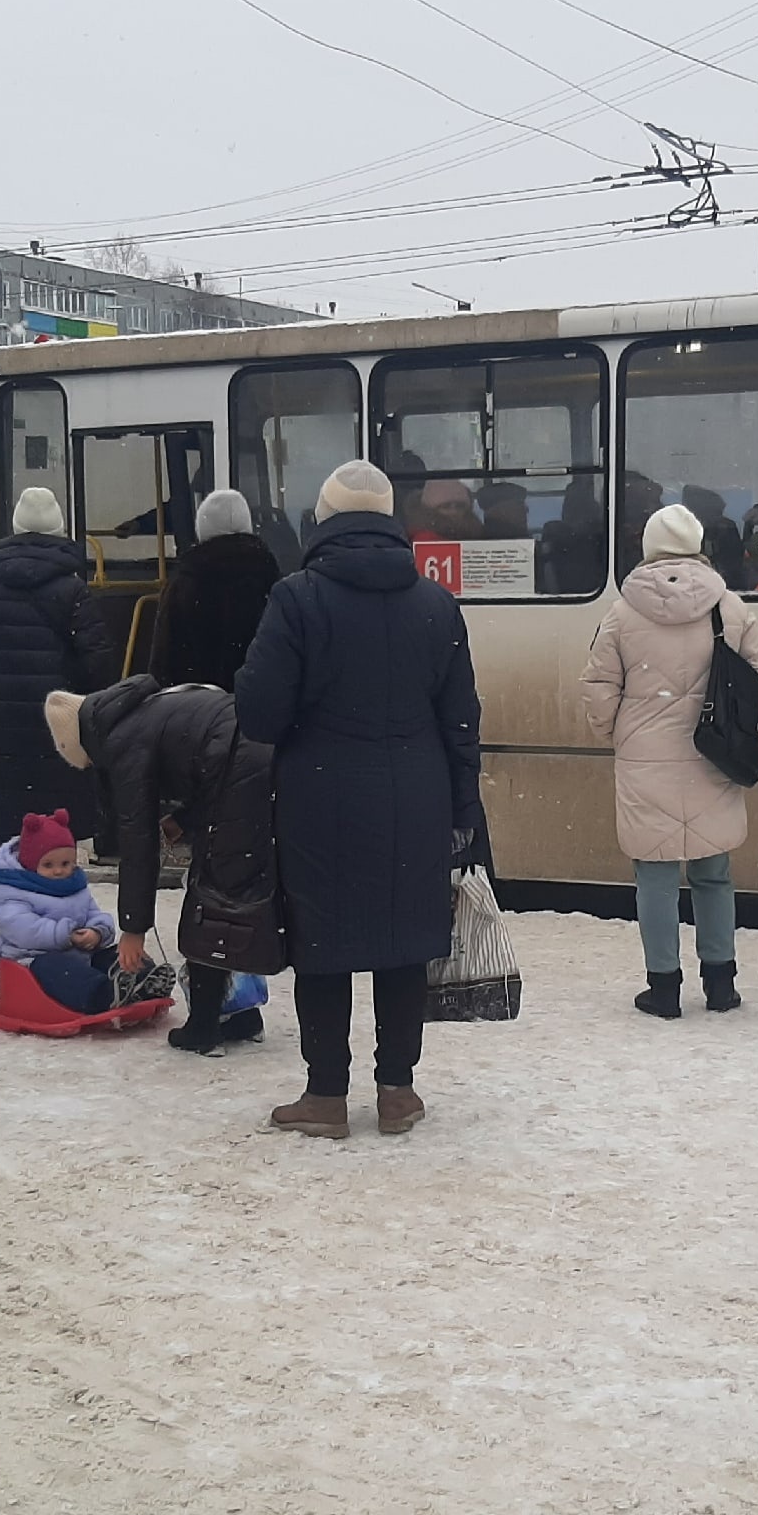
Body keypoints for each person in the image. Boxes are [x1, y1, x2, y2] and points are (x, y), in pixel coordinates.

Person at [235, 460, 482, 1138]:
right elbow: (462, 718)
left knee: (324, 941)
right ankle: (397, 1092)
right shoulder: (435, 603)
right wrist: (465, 809)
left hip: (322, 797)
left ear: (323, 522)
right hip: (418, 796)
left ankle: (326, 1096)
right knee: (404, 941)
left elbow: (258, 714)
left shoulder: (297, 598)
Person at [581, 503, 758, 1018]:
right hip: (716, 755)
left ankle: (664, 988)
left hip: (646, 762)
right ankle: (721, 984)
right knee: (714, 872)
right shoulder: (730, 608)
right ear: (698, 545)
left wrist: (618, 734)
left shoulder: (621, 613)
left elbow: (599, 690)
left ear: (648, 548)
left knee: (656, 876)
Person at [48, 676, 278, 1055]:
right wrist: (184, 821)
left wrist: (133, 929)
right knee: (238, 890)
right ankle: (241, 1015)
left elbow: (138, 845)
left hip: (243, 760)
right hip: (262, 748)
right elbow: (212, 751)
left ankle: (204, 1026)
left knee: (213, 900)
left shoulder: (121, 742)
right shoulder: (141, 710)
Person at [0, 486, 118, 854]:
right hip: (61, 721)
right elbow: (97, 660)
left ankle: (20, 892)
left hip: (6, 722)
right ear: (59, 529)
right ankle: (57, 883)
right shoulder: (72, 590)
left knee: (17, 823)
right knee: (61, 819)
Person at [0, 807, 126, 1014]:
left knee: (115, 956)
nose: (59, 870)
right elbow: (22, 929)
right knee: (58, 968)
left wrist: (97, 932)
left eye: (66, 863)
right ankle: (103, 995)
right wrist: (66, 935)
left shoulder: (74, 885)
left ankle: (139, 980)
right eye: (48, 864)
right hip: (29, 961)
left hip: (77, 952)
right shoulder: (13, 890)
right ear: (31, 864)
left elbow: (92, 912)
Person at [148, 489, 280, 691]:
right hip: (260, 705)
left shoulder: (184, 583)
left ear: (202, 528)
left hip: (198, 710)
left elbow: (165, 662)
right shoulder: (275, 581)